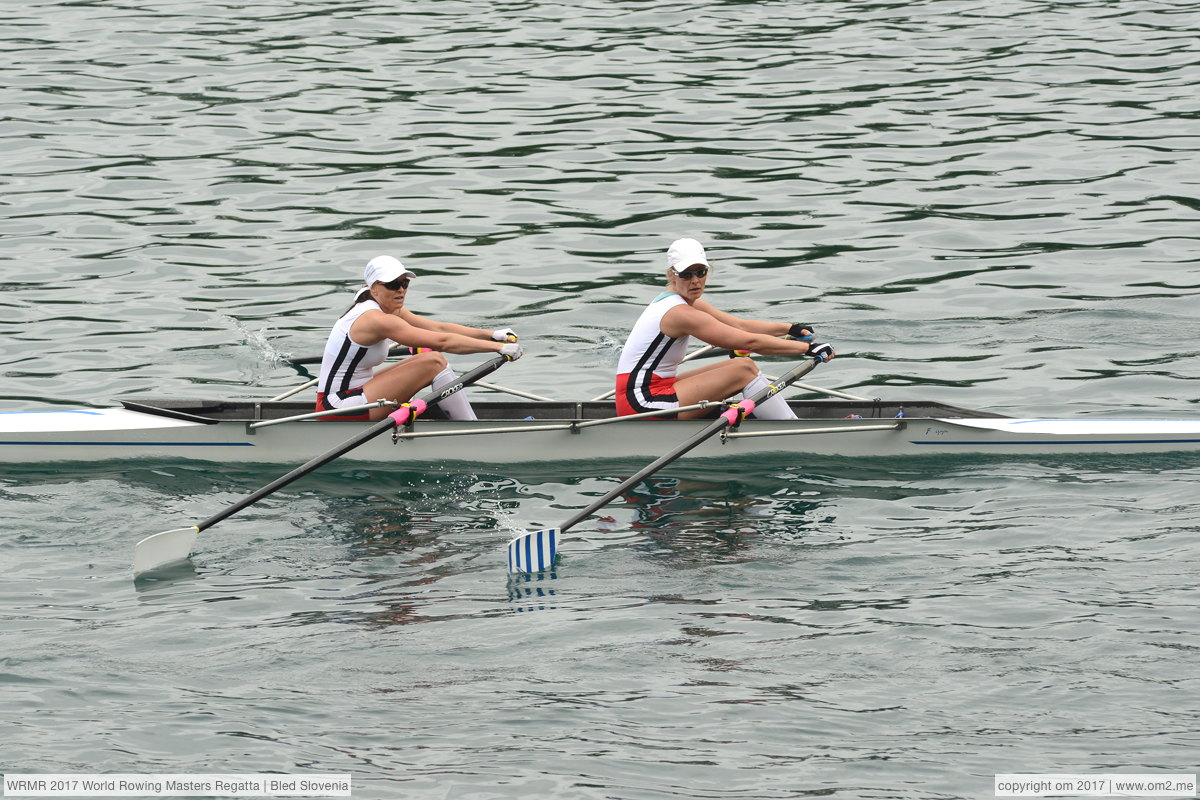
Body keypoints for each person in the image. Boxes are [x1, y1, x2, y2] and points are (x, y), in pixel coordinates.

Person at [615, 237, 834, 420]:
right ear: (672, 275)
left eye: (701, 272)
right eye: (686, 274)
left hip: (656, 387)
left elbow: (740, 325)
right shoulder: (680, 314)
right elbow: (748, 342)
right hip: (641, 402)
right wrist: (807, 349)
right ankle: (791, 430)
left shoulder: (683, 303)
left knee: (741, 364)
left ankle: (775, 420)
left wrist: (791, 328)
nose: (695, 281)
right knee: (744, 369)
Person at [317, 255, 523, 421]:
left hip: (360, 393)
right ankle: (470, 428)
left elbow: (438, 328)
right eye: (392, 284)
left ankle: (457, 419)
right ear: (374, 287)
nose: (401, 290)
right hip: (336, 406)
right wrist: (498, 349)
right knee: (434, 362)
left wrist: (493, 335)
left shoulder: (383, 307)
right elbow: (443, 342)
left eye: (404, 283)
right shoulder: (376, 319)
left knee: (430, 359)